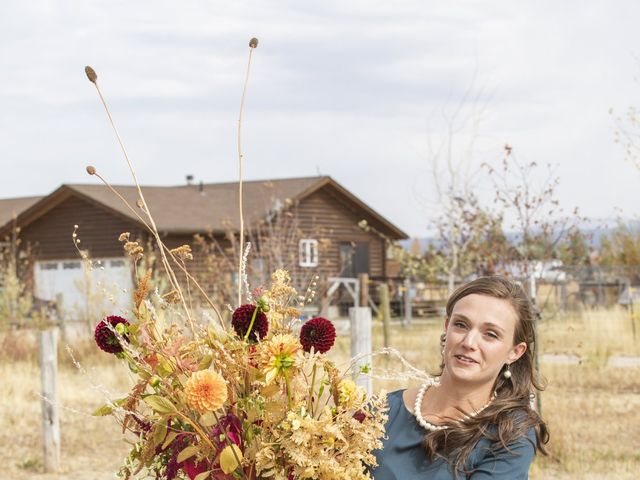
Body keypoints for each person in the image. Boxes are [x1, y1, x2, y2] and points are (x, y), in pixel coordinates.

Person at [371, 276, 549, 479]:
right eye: (461, 325)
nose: (469, 342)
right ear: (446, 327)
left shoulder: (509, 435)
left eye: (490, 334)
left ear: (515, 352)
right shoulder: (381, 410)